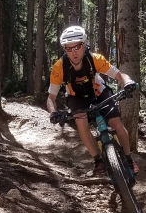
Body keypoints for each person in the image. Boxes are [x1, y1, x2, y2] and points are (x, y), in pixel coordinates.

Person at [46, 25, 139, 176]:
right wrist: (53, 113)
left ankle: (129, 158)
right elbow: (51, 98)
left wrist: (127, 83)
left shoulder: (95, 59)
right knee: (81, 122)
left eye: (76, 46)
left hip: (99, 92)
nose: (73, 52)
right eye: (69, 48)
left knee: (116, 123)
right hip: (76, 97)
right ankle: (98, 161)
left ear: (84, 45)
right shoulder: (59, 67)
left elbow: (120, 75)